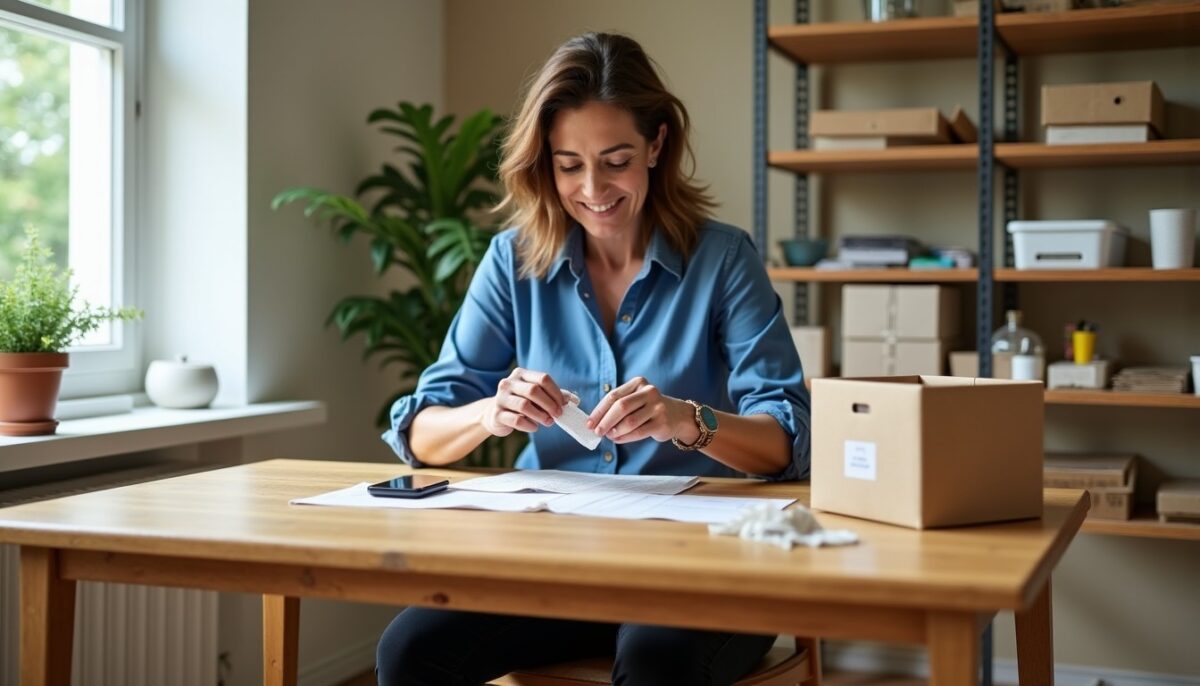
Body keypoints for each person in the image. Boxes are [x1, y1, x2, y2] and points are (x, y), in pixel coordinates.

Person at [376, 32, 810, 686]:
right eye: (568, 164)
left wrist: (685, 419)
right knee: (409, 653)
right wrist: (492, 412)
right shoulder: (514, 261)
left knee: (655, 663)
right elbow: (421, 433)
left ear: (657, 146)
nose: (592, 188)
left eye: (615, 160)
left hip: (700, 567)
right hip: (554, 562)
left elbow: (786, 440)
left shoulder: (722, 260)